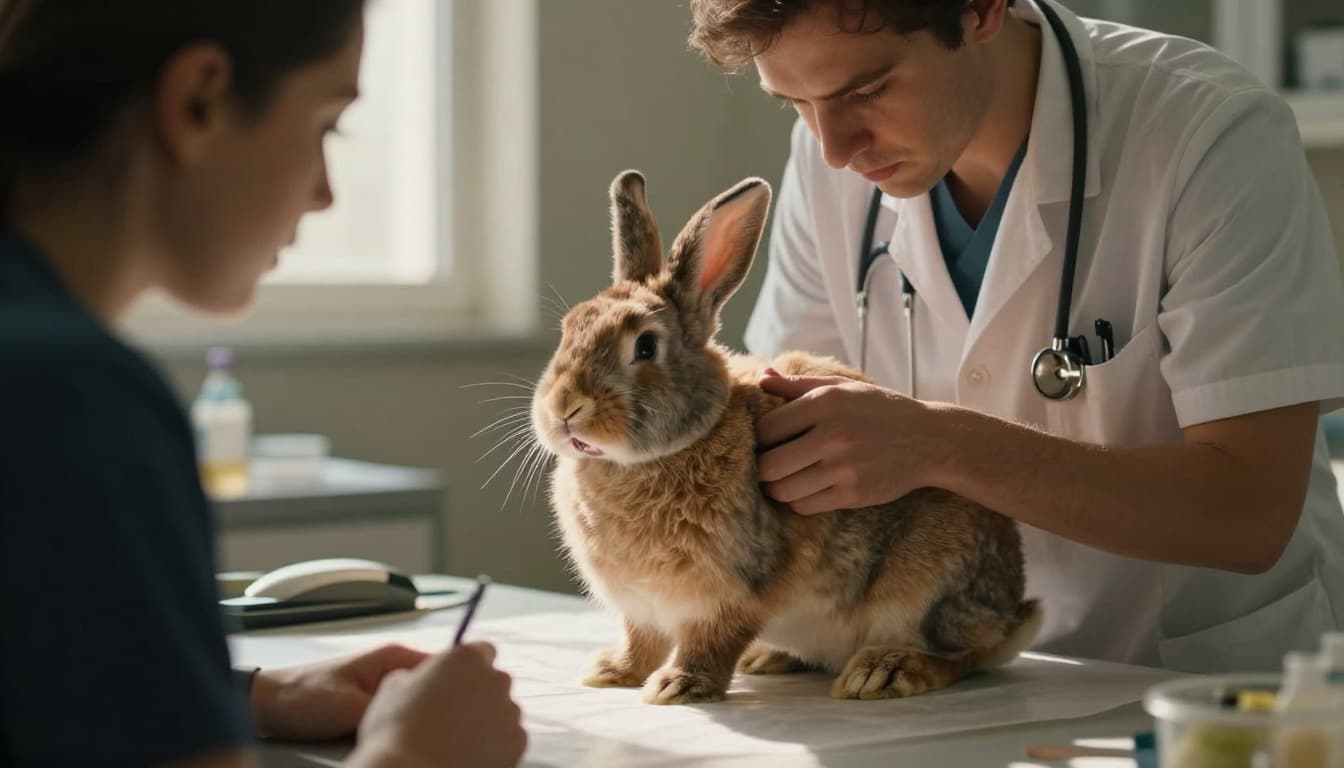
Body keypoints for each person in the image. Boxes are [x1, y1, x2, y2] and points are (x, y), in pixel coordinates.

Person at [687, 0, 1344, 672]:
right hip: (955, 674)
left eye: (870, 89)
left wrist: (938, 446)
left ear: (981, 11)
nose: (834, 149)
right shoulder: (828, 161)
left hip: (1203, 684)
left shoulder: (1210, 134)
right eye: (794, 101)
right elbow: (788, 438)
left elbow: (1251, 511)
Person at [0, 1, 526, 766]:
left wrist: (251, 695)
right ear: (199, 101)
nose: (325, 194)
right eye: (325, 125)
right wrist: (417, 755)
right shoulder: (71, 399)